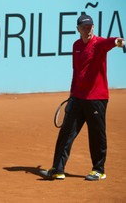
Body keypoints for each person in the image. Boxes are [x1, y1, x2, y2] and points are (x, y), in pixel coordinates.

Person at [40, 14, 124, 181]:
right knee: (66, 133)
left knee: (96, 134)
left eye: (90, 26)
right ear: (78, 29)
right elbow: (76, 72)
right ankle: (58, 169)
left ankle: (98, 170)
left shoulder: (99, 43)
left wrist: (120, 42)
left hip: (96, 99)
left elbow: (113, 41)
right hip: (77, 97)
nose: (88, 29)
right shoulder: (76, 45)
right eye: (84, 27)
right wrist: (72, 94)